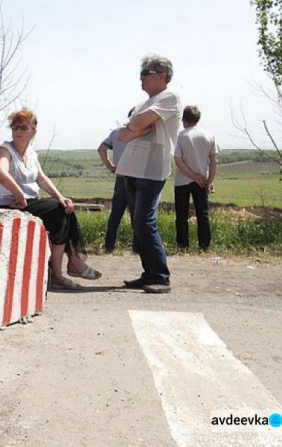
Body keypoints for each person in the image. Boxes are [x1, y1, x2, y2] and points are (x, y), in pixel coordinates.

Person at [0, 109, 101, 291]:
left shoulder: (32, 154)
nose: (18, 131)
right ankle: (68, 266)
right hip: (8, 201)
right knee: (58, 211)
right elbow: (0, 172)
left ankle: (65, 266)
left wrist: (60, 197)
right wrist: (18, 193)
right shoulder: (6, 149)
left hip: (28, 201)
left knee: (64, 208)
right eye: (15, 127)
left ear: (33, 131)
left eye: (23, 127)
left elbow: (41, 179)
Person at [115, 55, 183, 294]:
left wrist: (136, 125)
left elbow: (134, 124)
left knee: (145, 220)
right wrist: (137, 126)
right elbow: (122, 134)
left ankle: (160, 276)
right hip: (132, 168)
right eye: (141, 72)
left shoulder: (169, 97)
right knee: (138, 222)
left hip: (151, 168)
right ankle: (149, 273)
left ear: (163, 76)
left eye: (146, 72)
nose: (141, 77)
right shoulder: (147, 102)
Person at [174, 105, 219, 251]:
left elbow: (178, 161)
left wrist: (193, 176)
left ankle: (183, 245)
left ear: (184, 119)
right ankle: (204, 245)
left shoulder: (181, 136)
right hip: (202, 179)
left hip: (182, 180)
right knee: (203, 214)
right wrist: (209, 181)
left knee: (182, 214)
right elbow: (213, 161)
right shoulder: (209, 135)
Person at [97, 108, 135, 253]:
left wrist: (110, 166)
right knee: (136, 213)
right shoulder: (141, 133)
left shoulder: (116, 133)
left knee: (116, 214)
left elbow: (101, 148)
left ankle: (109, 246)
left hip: (120, 174)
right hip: (137, 175)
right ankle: (137, 247)